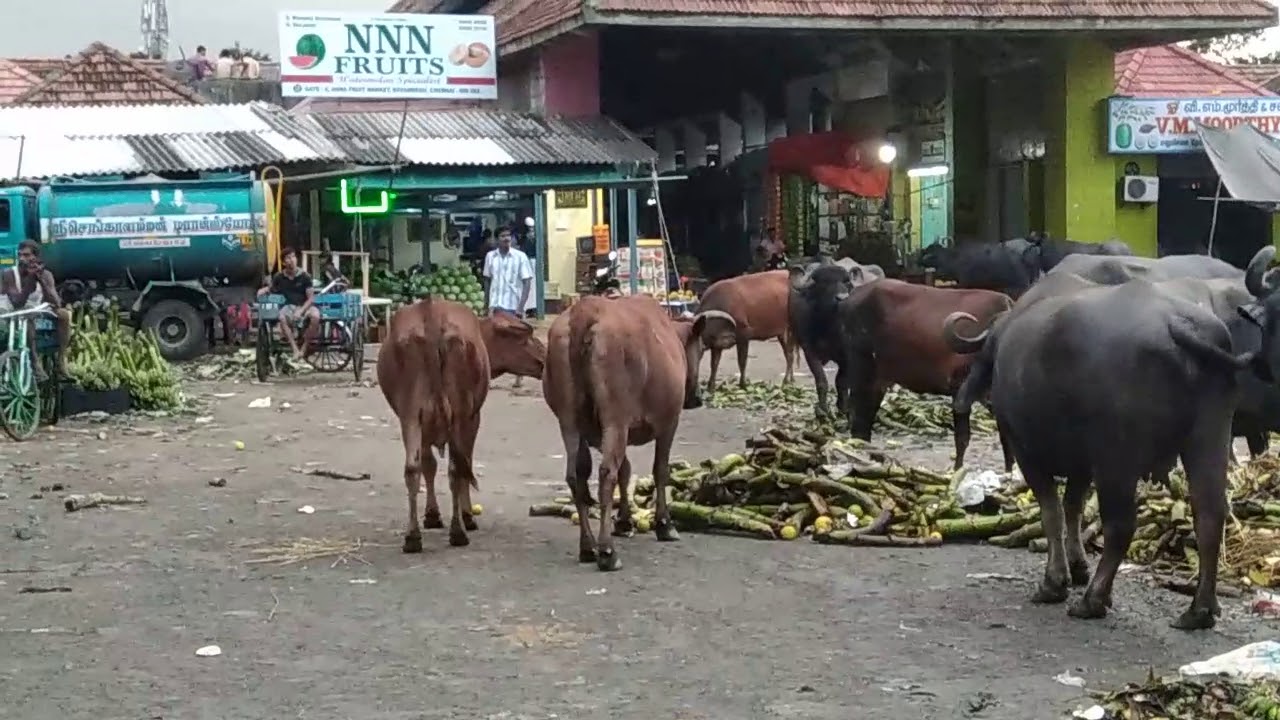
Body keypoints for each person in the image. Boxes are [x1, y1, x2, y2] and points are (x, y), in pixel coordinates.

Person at [0, 240, 71, 380]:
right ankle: (34, 360)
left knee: (64, 314)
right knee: (28, 313)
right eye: (19, 255)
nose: (21, 259)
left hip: (37, 309)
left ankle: (61, 359)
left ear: (36, 258)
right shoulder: (9, 274)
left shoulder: (46, 275)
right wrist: (30, 280)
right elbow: (17, 303)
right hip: (13, 311)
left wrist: (40, 279)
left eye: (26, 256)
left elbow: (56, 303)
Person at [482, 226, 534, 388]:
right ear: (497, 239)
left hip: (513, 304)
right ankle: (489, 375)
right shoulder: (491, 257)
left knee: (517, 341)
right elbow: (487, 280)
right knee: (492, 341)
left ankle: (519, 376)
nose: (506, 239)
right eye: (503, 236)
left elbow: (527, 282)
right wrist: (487, 304)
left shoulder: (520, 257)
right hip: (496, 304)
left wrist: (521, 307)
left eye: (508, 236)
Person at [258, 247, 319, 359]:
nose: (292, 260)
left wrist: (301, 311)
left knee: (316, 316)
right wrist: (263, 290)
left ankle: (304, 348)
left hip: (305, 306)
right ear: (283, 262)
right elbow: (271, 288)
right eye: (288, 258)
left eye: (293, 257)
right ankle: (295, 349)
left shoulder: (305, 276)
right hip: (289, 307)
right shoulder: (279, 277)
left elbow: (311, 298)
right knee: (281, 317)